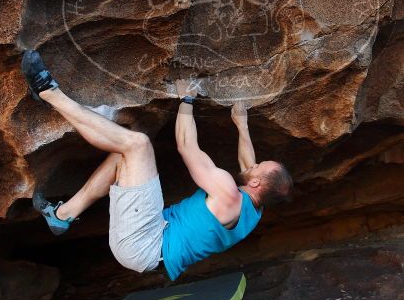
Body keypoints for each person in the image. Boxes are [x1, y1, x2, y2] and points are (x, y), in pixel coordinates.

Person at [21, 49, 293, 281]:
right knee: (123, 158)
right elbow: (248, 165)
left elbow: (187, 147)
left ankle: (48, 93)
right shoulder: (254, 210)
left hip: (146, 243)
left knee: (137, 145)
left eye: (259, 166)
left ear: (256, 182)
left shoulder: (229, 194)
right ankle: (63, 215)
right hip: (152, 241)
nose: (254, 163)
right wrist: (241, 123)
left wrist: (187, 99)